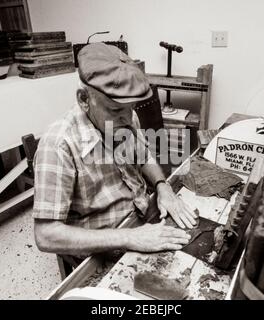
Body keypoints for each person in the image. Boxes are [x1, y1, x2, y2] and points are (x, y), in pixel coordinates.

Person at [33, 43, 198, 260]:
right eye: (115, 110)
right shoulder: (58, 144)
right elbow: (45, 235)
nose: (128, 118)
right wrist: (129, 237)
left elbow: (144, 156)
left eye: (131, 108)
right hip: (103, 245)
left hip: (141, 217)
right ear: (84, 99)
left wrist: (162, 186)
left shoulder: (126, 116)